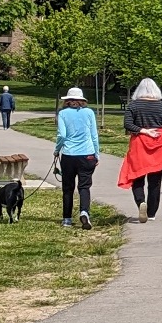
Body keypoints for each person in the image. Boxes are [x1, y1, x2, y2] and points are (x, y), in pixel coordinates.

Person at [117, 77, 162, 223]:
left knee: (137, 176)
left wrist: (143, 130)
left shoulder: (133, 105)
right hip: (160, 143)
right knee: (155, 181)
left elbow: (127, 124)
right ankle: (151, 213)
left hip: (140, 143)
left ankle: (141, 202)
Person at [54, 87, 99, 229]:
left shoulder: (63, 114)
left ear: (67, 100)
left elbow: (62, 135)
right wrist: (96, 154)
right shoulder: (89, 112)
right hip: (87, 154)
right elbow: (94, 135)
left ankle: (67, 219)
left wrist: (57, 150)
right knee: (84, 186)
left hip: (69, 154)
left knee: (68, 187)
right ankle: (84, 211)